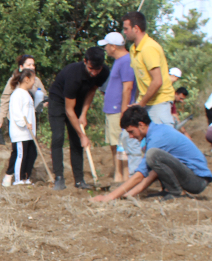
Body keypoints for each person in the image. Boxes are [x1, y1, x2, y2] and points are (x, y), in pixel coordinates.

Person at [91, 105, 212, 203]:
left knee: (152, 154)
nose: (131, 136)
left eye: (131, 132)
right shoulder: (156, 132)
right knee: (153, 157)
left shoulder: (157, 137)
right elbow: (151, 173)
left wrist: (109, 197)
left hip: (197, 180)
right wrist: (127, 195)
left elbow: (140, 175)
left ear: (141, 125)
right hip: (191, 177)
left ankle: (176, 193)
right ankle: (169, 191)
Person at [47, 46, 110, 190]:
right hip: (58, 100)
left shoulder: (104, 72)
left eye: (97, 69)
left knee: (76, 141)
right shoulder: (73, 75)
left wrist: (83, 114)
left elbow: (92, 90)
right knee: (58, 137)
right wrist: (83, 135)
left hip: (78, 102)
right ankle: (59, 178)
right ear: (85, 61)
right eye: (91, 68)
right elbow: (69, 110)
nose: (94, 73)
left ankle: (79, 181)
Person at [122, 11, 176, 125]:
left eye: (126, 29)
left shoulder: (149, 48)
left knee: (160, 141)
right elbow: (140, 79)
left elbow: (157, 81)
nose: (124, 32)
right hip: (144, 102)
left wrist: (141, 103)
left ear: (135, 28)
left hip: (159, 102)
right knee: (130, 138)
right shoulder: (133, 48)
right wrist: (137, 102)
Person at [98, 32, 135, 182]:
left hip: (118, 110)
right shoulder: (119, 61)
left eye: (106, 46)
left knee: (121, 143)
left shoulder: (126, 61)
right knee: (114, 143)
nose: (105, 49)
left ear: (113, 47)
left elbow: (128, 87)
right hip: (111, 109)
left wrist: (124, 111)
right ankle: (118, 173)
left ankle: (123, 175)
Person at [0, 54, 46, 141]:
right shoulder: (13, 80)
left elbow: (43, 95)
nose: (32, 67)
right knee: (19, 149)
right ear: (21, 67)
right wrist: (1, 117)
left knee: (31, 149)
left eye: (33, 65)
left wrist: (43, 103)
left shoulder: (36, 80)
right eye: (29, 65)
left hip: (30, 119)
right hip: (16, 121)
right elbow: (5, 99)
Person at [1, 68, 38, 186]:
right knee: (21, 156)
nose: (34, 82)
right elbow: (16, 112)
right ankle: (19, 179)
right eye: (33, 80)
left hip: (29, 133)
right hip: (21, 133)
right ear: (27, 79)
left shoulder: (27, 94)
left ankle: (26, 177)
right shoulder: (17, 94)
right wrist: (24, 122)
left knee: (32, 154)